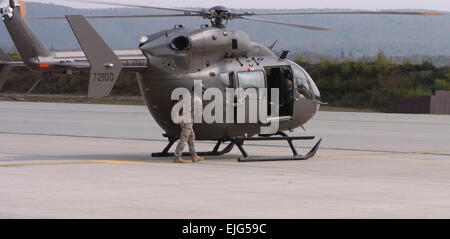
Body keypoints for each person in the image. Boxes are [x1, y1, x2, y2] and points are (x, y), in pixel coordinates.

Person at [172, 92, 204, 163]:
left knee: (190, 136)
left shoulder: (186, 95)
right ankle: (177, 157)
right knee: (185, 137)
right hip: (187, 120)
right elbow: (198, 113)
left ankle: (194, 155)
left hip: (182, 118)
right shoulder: (197, 99)